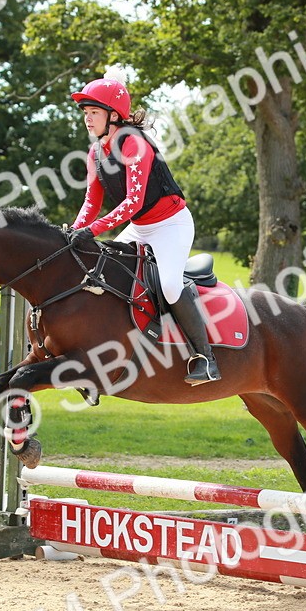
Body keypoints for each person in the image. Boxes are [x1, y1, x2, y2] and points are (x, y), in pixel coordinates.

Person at [69, 75, 220, 385]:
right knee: (101, 271)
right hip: (139, 228)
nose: (87, 119)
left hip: (171, 225)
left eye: (92, 112)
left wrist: (93, 230)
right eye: (84, 112)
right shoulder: (95, 153)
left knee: (169, 285)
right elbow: (90, 203)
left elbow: (133, 202)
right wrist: (72, 232)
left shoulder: (133, 143)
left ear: (113, 115)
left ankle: (204, 358)